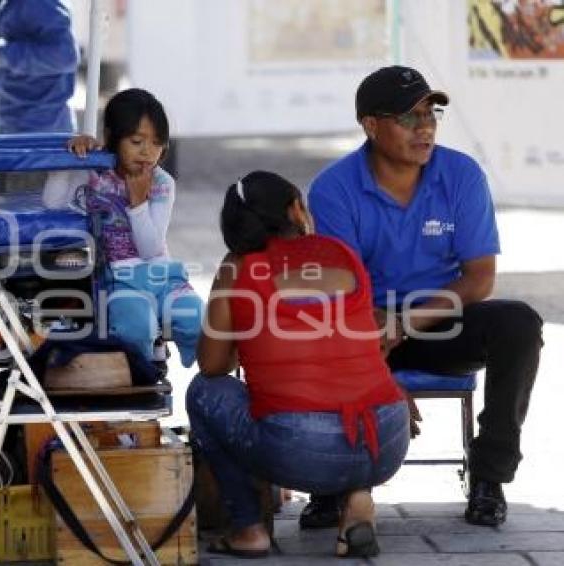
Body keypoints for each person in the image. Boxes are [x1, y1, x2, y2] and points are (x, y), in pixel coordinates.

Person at [307, 65, 543, 527]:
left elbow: (478, 279)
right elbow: (343, 291)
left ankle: (488, 476)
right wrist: (377, 363)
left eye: (430, 114)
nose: (426, 127)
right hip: (363, 326)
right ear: (371, 125)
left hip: (440, 319)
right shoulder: (333, 188)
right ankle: (332, 482)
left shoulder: (461, 174)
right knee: (309, 336)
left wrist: (406, 324)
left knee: (519, 323)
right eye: (409, 117)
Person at [188, 171, 409, 558]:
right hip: (387, 434)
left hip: (303, 447)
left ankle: (248, 529)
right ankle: (356, 495)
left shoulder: (238, 267)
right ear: (295, 210)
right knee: (344, 385)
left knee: (204, 393)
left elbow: (212, 366)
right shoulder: (341, 253)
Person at [43, 88, 203, 367]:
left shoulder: (162, 183)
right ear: (112, 138)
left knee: (198, 319)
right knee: (137, 326)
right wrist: (66, 162)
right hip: (119, 279)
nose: (147, 152)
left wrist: (139, 201)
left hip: (163, 276)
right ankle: (144, 370)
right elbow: (53, 203)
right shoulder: (94, 173)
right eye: (137, 141)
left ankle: (203, 372)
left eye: (156, 143)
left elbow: (151, 248)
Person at [0, 0, 78, 134]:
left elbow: (65, 56)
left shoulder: (37, 3)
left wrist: (4, 55)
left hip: (40, 126)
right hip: (21, 119)